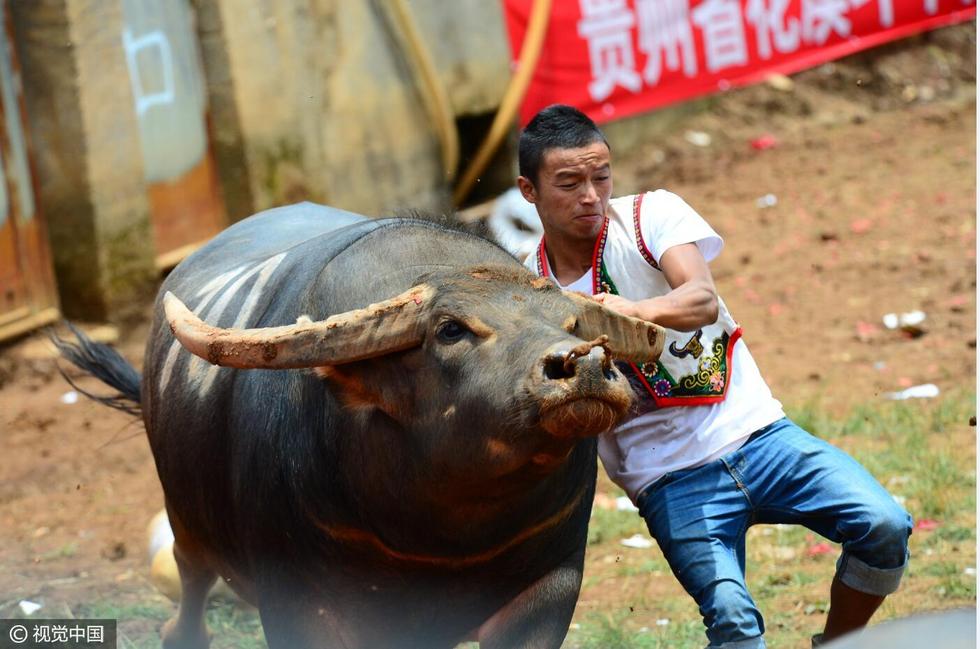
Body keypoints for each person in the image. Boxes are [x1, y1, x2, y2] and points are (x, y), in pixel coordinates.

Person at [516, 104, 912, 649]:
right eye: (568, 182)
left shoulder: (648, 215)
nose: (591, 194)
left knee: (885, 525)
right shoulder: (527, 288)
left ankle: (839, 643)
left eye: (600, 175)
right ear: (528, 191)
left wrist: (624, 312)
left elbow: (699, 298)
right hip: (667, 478)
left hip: (759, 435)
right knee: (732, 620)